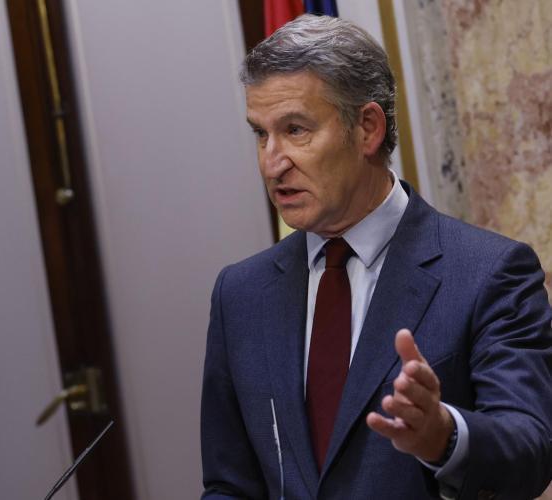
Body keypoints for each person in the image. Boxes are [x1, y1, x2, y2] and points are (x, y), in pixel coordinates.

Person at [200, 14, 552, 500]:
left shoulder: (488, 273)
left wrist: (444, 436)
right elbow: (229, 485)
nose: (271, 162)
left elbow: (532, 449)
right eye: (261, 134)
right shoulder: (240, 294)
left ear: (367, 128)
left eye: (295, 130)